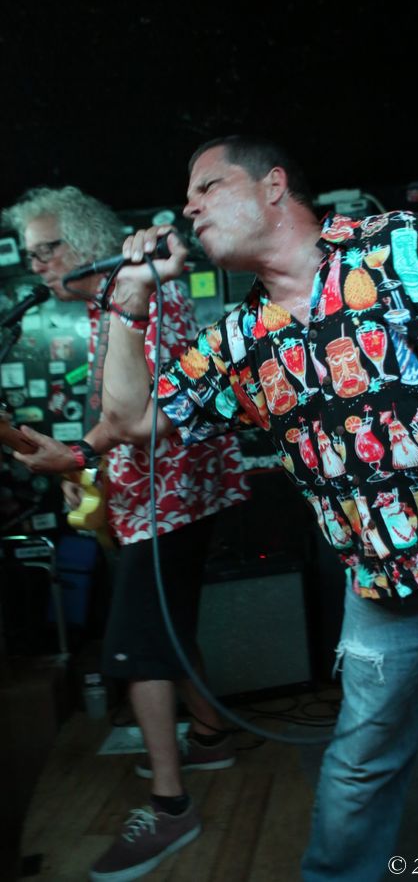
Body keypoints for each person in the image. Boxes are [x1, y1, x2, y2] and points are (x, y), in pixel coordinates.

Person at [100, 136, 418, 882]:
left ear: (273, 185)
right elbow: (129, 420)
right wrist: (130, 301)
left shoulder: (399, 245)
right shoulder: (236, 339)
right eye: (188, 196)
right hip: (386, 588)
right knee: (360, 764)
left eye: (207, 187)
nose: (189, 207)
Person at [2, 187, 251, 881]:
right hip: (164, 497)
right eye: (28, 255)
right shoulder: (110, 302)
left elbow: (138, 415)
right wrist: (88, 464)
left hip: (169, 500)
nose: (35, 266)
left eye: (45, 250)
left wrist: (78, 456)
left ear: (85, 242)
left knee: (137, 648)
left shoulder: (137, 297)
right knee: (166, 629)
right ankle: (210, 738)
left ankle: (171, 808)